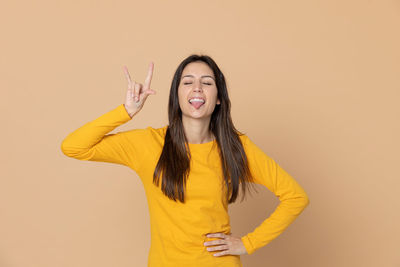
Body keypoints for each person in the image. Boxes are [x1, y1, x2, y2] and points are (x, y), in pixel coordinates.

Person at [61, 54, 310, 267]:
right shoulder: (148, 144)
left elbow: (296, 196)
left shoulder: (235, 147)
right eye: (187, 82)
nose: (197, 88)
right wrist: (126, 111)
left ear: (219, 97)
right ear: (177, 96)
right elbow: (73, 146)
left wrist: (248, 244)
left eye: (207, 82)